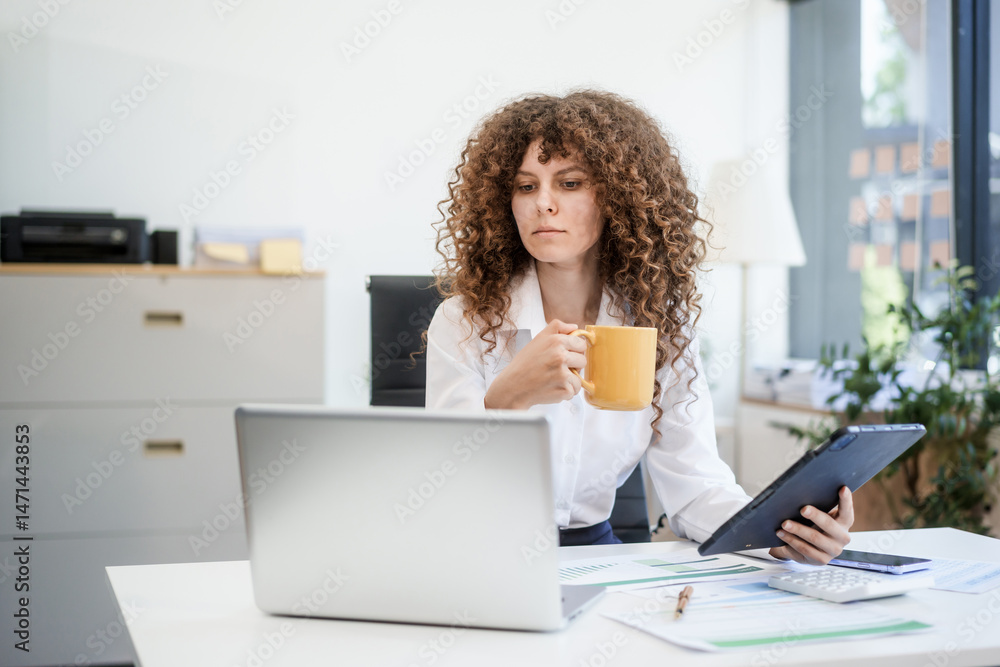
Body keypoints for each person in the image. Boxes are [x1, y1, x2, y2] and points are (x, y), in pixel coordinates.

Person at [425, 90, 852, 563]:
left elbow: (696, 488)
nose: (542, 204)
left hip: (598, 556)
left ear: (617, 197)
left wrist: (781, 534)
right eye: (525, 187)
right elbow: (442, 485)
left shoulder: (659, 328)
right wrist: (506, 399)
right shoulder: (463, 320)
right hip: (480, 556)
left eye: (569, 184)